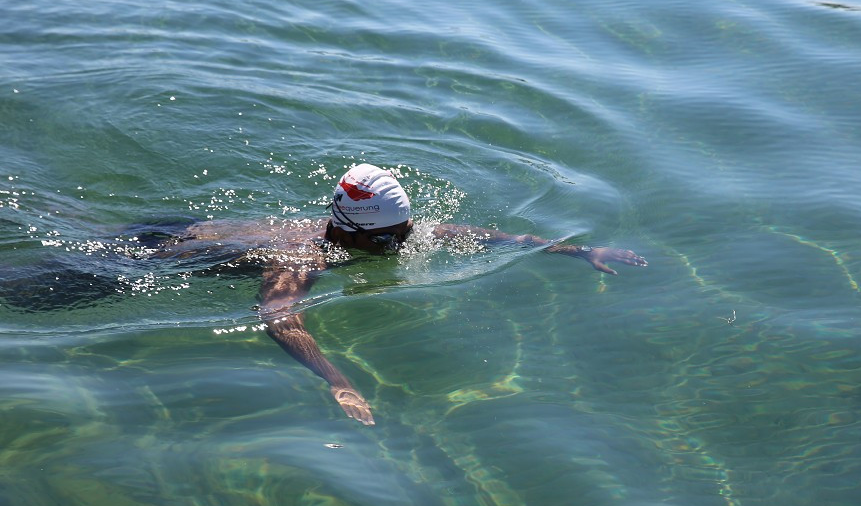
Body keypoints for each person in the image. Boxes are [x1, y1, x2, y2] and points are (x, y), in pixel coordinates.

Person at [154, 163, 647, 425]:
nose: (406, 243)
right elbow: (280, 318)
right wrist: (337, 380)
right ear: (351, 233)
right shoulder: (300, 259)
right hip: (140, 262)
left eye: (407, 231)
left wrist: (579, 250)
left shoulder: (366, 230)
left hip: (193, 230)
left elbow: (483, 236)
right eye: (395, 239)